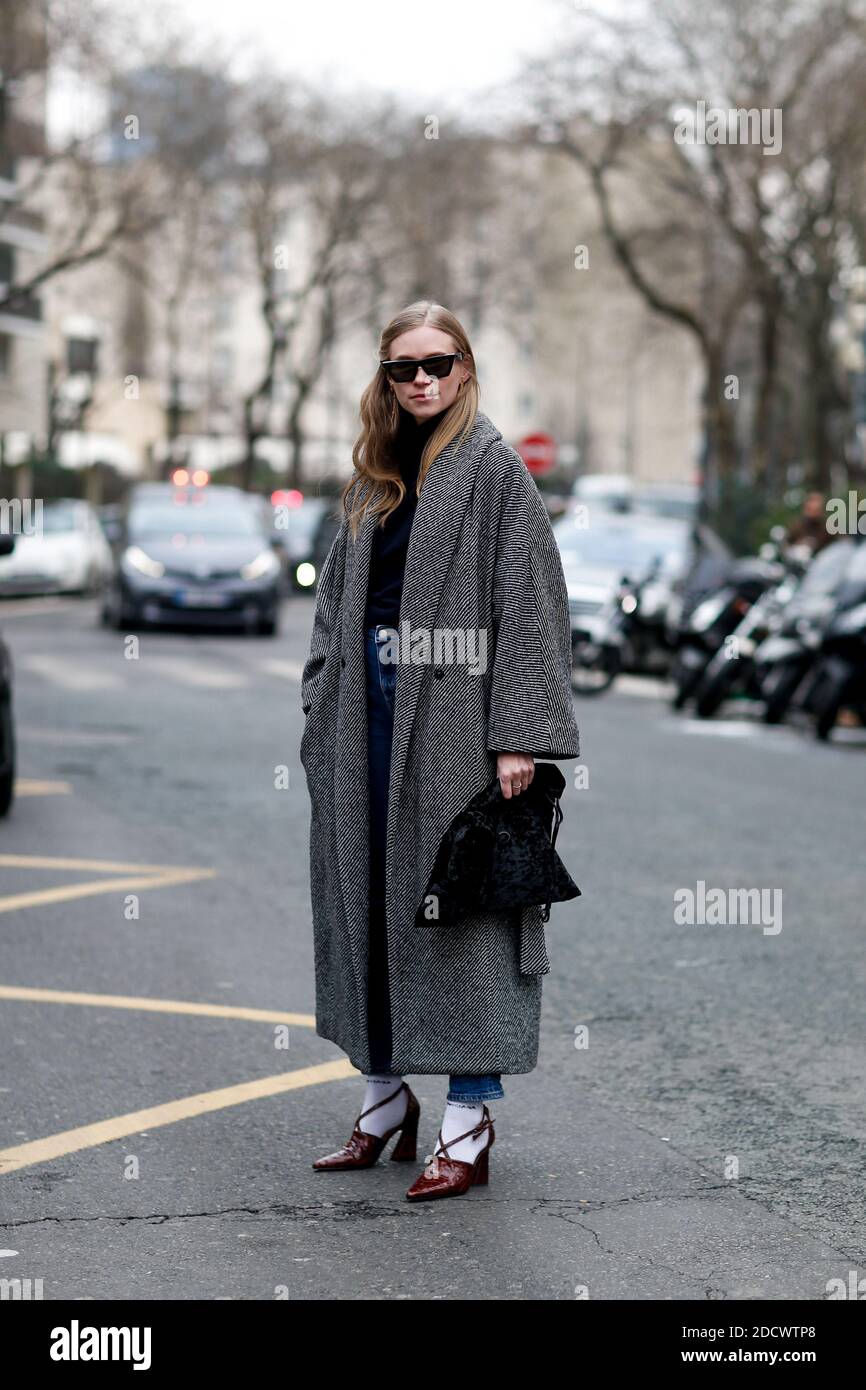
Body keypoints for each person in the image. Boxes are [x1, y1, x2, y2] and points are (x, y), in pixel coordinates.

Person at [299, 299, 580, 1201]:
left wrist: (518, 736)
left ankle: (469, 1115)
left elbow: (529, 606)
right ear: (385, 378)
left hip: (459, 714)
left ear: (466, 368)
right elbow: (331, 606)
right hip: (362, 714)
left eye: (438, 363)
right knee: (365, 899)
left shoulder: (495, 469)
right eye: (403, 367)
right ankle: (385, 1100)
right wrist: (320, 700)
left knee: (463, 912)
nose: (422, 380)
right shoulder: (373, 472)